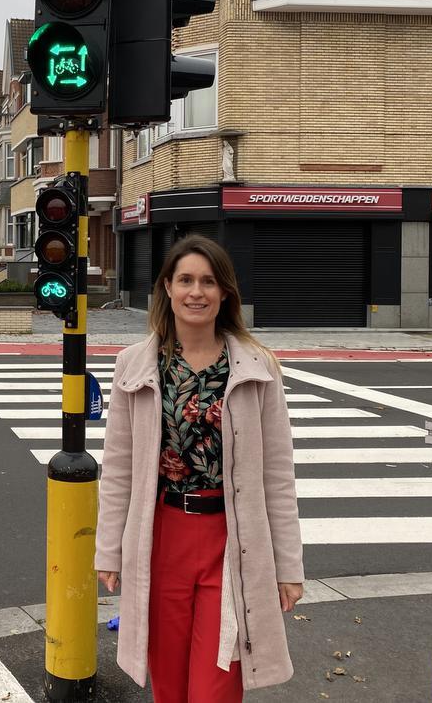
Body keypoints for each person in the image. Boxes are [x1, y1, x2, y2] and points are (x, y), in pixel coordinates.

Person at [95, 235, 304, 701]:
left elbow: (277, 477)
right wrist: (109, 550)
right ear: (166, 288)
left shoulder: (256, 367)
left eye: (208, 281)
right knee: (168, 681)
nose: (196, 292)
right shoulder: (136, 365)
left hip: (230, 543)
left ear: (225, 292)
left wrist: (287, 566)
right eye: (185, 279)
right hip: (161, 536)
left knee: (217, 684)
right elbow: (119, 471)